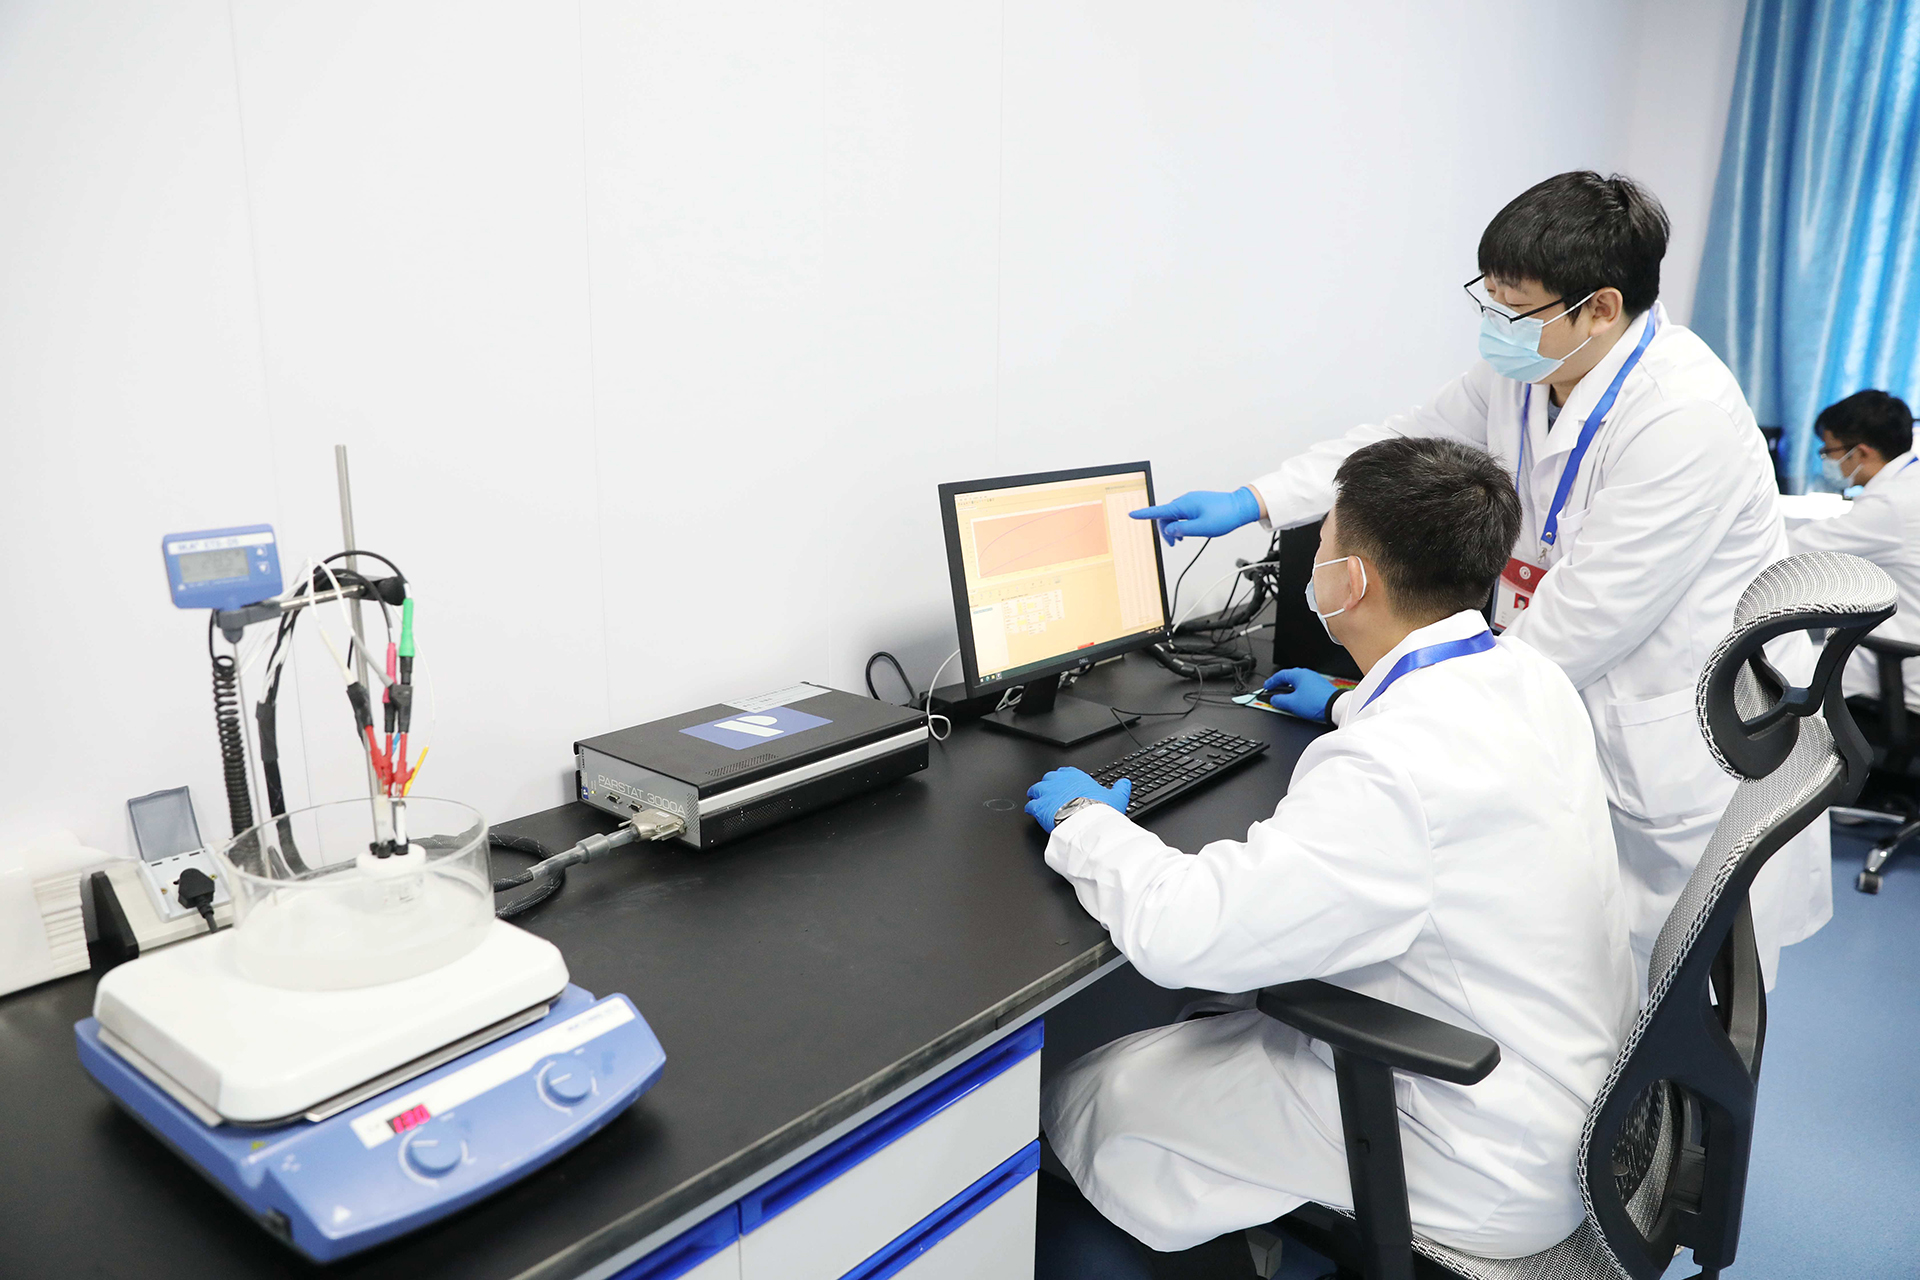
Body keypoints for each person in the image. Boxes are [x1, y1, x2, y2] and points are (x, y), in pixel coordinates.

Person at [1131, 171, 1826, 990]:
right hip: (1569, 717)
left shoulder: (1684, 419)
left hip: (1670, 751)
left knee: (1671, 997)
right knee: (1585, 977)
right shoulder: (1533, 368)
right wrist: (1256, 499)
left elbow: (1576, 629)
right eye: (1488, 298)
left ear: (1601, 308)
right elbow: (1397, 447)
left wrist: (1367, 703)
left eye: (1514, 306)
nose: (1496, 323)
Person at [1024, 437, 1634, 1274]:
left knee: (1100, 1093)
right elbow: (1443, 753)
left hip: (1471, 1144)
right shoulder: (1527, 673)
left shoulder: (1389, 770)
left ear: (1351, 582)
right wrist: (1351, 701)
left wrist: (1084, 819)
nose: (1313, 559)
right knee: (1203, 1032)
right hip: (1569, 1089)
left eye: (1323, 542)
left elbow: (1183, 932)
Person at [1787, 390, 1920, 708]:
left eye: (1828, 451)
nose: (1827, 460)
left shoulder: (1890, 504)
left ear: (1860, 452)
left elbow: (1792, 551)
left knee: (1766, 673)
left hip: (1897, 667)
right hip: (1901, 648)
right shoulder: (1908, 484)